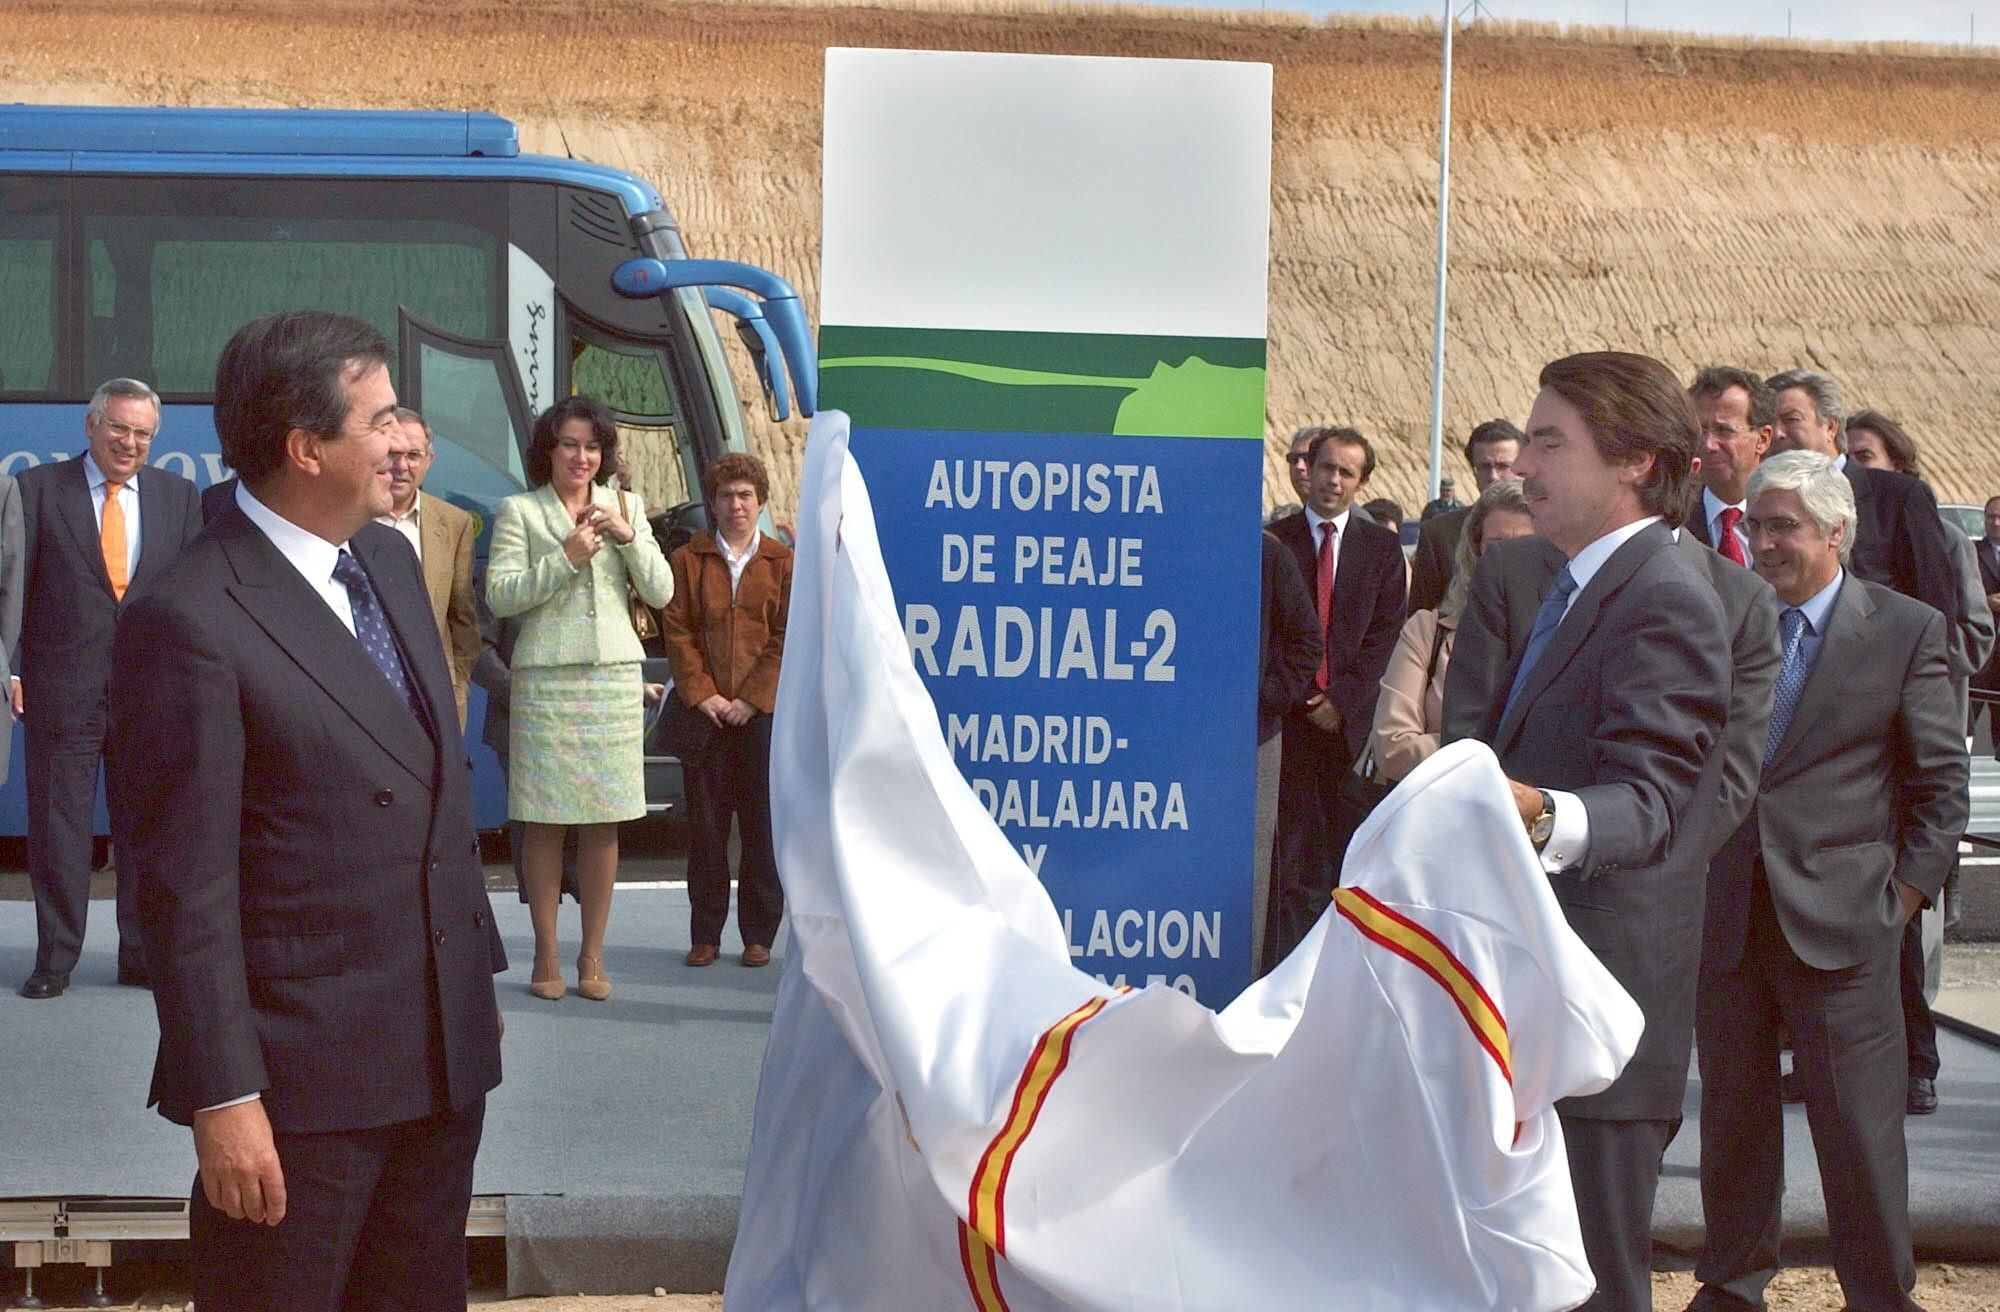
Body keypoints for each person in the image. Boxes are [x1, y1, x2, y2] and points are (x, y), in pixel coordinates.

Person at [107, 311, 504, 1311]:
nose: (403, 441)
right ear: (306, 447)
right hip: (297, 1094)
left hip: (438, 1060)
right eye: (380, 419)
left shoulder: (389, 564)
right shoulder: (190, 616)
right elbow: (183, 886)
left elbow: (430, 799)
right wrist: (223, 1095)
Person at [1448, 351, 1730, 1311]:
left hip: (1600, 1014)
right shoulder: (1565, 584)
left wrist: (1530, 809)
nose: (1524, 465)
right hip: (1534, 996)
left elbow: (1650, 802)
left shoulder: (1667, 594)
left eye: (1549, 442)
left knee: (1598, 1285)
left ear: (1637, 463)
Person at [1690, 452, 1966, 1312]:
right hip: (1728, 917)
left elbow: (1939, 788)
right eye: (1758, 525)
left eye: (1784, 527)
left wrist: (1901, 901)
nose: (1764, 543)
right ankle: (1733, 1286)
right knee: (1733, 1126)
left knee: (1859, 1135)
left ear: (1835, 532)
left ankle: (1882, 1296)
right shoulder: (1725, 618)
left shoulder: (1906, 629)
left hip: (1847, 925)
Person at [1821, 407, 1991, 1114]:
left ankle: (1914, 1061)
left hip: (1906, 753)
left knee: (1900, 932)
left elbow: (1961, 634)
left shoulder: (1933, 531)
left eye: (1868, 453)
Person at [14, 378, 202, 998]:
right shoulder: (38, 490)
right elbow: (11, 592)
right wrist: (12, 671)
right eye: (118, 428)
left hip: (150, 695)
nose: (129, 442)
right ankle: (55, 959)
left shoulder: (179, 498)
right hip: (62, 690)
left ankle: (141, 955)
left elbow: (192, 603)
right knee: (59, 830)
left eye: (142, 433)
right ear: (91, 426)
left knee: (145, 832)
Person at [485, 394, 672, 1001]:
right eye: (570, 444)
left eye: (592, 447)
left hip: (614, 675)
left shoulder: (629, 506)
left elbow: (663, 592)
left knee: (603, 821)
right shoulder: (520, 511)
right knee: (542, 819)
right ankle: (545, 955)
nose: (582, 457)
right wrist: (564, 556)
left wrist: (629, 538)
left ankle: (592, 955)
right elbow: (503, 596)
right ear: (549, 448)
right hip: (545, 680)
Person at [1263, 426, 1405, 971]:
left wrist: (1341, 700)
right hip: (1288, 724)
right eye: (1326, 467)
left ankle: (1341, 972)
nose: (1334, 480)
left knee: (1346, 859)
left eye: (1347, 472)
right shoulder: (1277, 542)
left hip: (1350, 731)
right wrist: (1300, 695)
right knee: (1292, 861)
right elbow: (1269, 630)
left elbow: (1385, 635)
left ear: (1362, 482)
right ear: (1308, 470)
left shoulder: (1382, 548)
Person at [662, 453, 792, 968]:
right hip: (707, 717)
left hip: (761, 719)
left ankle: (759, 934)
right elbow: (678, 631)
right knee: (707, 830)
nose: (736, 505)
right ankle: (706, 934)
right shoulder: (688, 560)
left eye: (745, 495)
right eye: (725, 496)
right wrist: (705, 694)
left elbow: (786, 637)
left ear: (760, 502)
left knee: (761, 827)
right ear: (712, 503)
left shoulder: (784, 562)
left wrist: (753, 698)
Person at [1765, 369, 1959, 633]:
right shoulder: (1761, 499)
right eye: (1769, 421)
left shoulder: (1898, 496)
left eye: (1791, 419)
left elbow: (1935, 600)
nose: (1777, 433)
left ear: (1831, 426)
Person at [1370, 478, 1532, 784]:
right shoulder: (1427, 631)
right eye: (1498, 547)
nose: (1510, 560)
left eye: (1525, 547)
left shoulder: (1569, 632)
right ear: (1475, 550)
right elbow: (1392, 749)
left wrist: (1446, 744)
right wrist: (1489, 749)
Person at [377, 408, 480, 728]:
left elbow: (463, 621)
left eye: (413, 455)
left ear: (429, 461)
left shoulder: (454, 524)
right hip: (367, 692)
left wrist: (456, 686)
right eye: (392, 454)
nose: (402, 466)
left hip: (434, 700)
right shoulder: (347, 519)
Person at [1253, 529, 1320, 972]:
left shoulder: (1269, 553)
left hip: (1251, 740)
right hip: (1167, 733)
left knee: (1249, 877)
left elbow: (1306, 642)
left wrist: (1263, 697)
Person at [1406, 419, 1523, 614]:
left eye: (1503, 466)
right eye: (1484, 467)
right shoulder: (1438, 534)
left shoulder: (1549, 527)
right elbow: (1421, 613)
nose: (1493, 475)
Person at [1685, 366, 1773, 566]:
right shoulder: (1674, 517)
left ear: (1763, 439)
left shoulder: (1792, 515)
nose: (1708, 445)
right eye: (1700, 431)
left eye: (1724, 430)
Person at [1972, 495, 2000, 757]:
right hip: (1982, 649)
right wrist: (1985, 602)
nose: (1995, 522)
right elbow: (1959, 592)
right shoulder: (1972, 552)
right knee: (1968, 719)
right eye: (1990, 516)